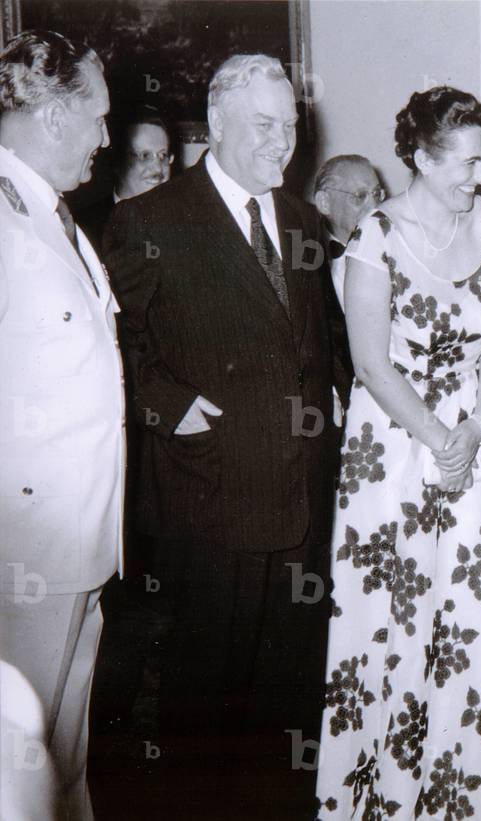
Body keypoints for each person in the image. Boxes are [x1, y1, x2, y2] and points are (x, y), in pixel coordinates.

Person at [315, 86, 481, 820]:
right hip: (396, 446)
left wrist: (477, 424)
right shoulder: (376, 236)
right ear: (423, 160)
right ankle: (398, 792)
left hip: (479, 437)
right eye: (466, 163)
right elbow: (371, 363)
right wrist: (439, 439)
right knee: (403, 615)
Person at [104, 53, 348, 818]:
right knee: (204, 705)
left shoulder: (303, 221)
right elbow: (113, 346)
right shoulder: (151, 220)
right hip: (209, 495)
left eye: (290, 126)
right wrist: (166, 402)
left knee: (290, 697)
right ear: (216, 125)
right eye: (263, 126)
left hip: (300, 498)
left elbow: (317, 341)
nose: (282, 143)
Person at [0, 29, 120, 821]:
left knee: (64, 763)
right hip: (27, 550)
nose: (106, 137)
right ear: (53, 116)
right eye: (98, 117)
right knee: (20, 771)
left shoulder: (52, 216)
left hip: (81, 541)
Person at [76, 104, 174, 246]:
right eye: (145, 156)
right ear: (118, 161)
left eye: (163, 155)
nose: (158, 168)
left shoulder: (184, 220)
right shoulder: (85, 228)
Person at [313, 153, 384, 256]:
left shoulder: (391, 244)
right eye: (360, 196)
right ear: (324, 203)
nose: (375, 207)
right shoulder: (303, 250)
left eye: (377, 194)